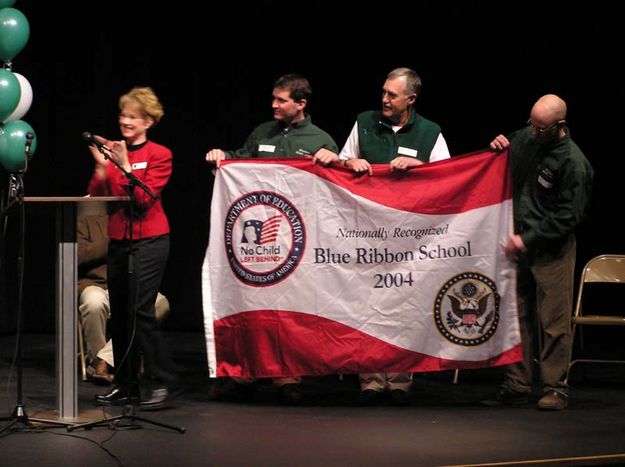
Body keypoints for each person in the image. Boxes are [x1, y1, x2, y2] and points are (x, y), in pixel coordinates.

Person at [205, 73, 339, 404]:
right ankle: (247, 373)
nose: (274, 105)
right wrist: (222, 157)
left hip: (299, 243)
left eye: (281, 100)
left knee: (291, 310)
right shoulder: (262, 132)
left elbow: (338, 189)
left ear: (301, 103)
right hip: (257, 241)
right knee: (252, 305)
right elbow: (239, 162)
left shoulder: (320, 139)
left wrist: (335, 161)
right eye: (274, 99)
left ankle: (287, 376)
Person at [339, 67, 451, 405]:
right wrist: (352, 164)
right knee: (367, 305)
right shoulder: (364, 122)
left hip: (410, 238)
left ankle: (400, 380)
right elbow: (343, 162)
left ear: (410, 99)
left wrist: (418, 167)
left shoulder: (430, 132)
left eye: (391, 94)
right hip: (368, 233)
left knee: (403, 307)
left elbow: (447, 176)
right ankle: (371, 380)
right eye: (383, 92)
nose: (384, 99)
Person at [482, 94, 594, 411]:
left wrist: (529, 238)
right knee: (517, 317)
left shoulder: (574, 163)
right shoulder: (528, 137)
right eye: (531, 122)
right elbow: (505, 149)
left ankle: (555, 387)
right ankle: (517, 384)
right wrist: (498, 145)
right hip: (520, 245)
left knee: (553, 322)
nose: (533, 130)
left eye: (540, 127)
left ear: (559, 126)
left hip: (551, 251)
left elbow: (568, 217)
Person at [87, 86, 178, 410]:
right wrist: (102, 166)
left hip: (150, 240)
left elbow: (142, 201)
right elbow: (98, 198)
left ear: (148, 122)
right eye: (123, 114)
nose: (125, 121)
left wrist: (124, 166)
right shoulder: (114, 153)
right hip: (120, 241)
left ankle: (164, 381)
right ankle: (126, 386)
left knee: (141, 311)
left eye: (133, 117)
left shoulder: (160, 154)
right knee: (122, 316)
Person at [77, 206, 170, 384]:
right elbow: (79, 255)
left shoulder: (133, 219)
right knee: (94, 303)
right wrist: (113, 238)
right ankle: (96, 366)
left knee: (160, 303)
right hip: (94, 283)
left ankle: (103, 360)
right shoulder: (85, 221)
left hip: (127, 284)